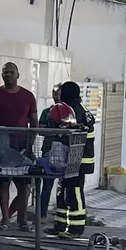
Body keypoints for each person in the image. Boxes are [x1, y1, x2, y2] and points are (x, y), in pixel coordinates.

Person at [0, 61, 38, 231]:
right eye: (5, 72)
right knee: (4, 183)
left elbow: (34, 121)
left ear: (18, 74)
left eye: (11, 72)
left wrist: (30, 143)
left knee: (24, 185)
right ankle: (5, 219)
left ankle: (22, 220)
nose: (7, 75)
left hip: (22, 145)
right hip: (1, 147)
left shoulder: (28, 96)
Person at [47, 81, 96, 239]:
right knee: (62, 190)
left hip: (78, 160)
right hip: (72, 159)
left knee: (73, 192)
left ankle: (76, 228)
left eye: (62, 93)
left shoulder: (75, 111)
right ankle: (60, 225)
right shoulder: (79, 108)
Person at [37, 84, 63, 219]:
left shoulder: (69, 112)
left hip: (64, 153)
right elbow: (40, 130)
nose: (56, 97)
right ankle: (42, 214)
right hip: (48, 151)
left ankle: (62, 214)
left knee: (64, 186)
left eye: (59, 93)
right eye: (54, 94)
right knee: (47, 185)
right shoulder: (47, 112)